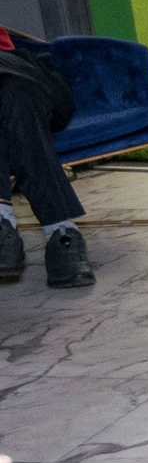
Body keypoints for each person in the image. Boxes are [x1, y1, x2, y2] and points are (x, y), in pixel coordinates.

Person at [0, 25, 91, 288]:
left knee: (17, 91)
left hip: (22, 73)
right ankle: (61, 230)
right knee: (16, 100)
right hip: (19, 99)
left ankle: (3, 222)